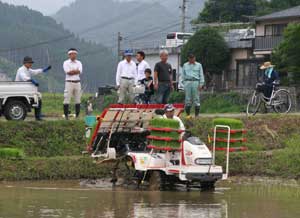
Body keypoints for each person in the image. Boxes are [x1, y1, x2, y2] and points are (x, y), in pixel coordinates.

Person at [15, 56, 51, 121]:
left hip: (24, 89)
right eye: (29, 63)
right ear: (25, 63)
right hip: (20, 89)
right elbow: (24, 77)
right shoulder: (21, 70)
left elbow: (35, 71)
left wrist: (44, 70)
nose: (31, 64)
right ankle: (38, 116)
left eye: (31, 63)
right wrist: (32, 81)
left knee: (38, 97)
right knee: (37, 97)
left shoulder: (28, 69)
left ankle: (38, 114)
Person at [182, 53, 205, 117]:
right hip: (187, 82)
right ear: (188, 58)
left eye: (193, 58)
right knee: (187, 99)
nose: (192, 60)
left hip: (195, 82)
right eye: (190, 58)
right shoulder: (185, 65)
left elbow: (201, 75)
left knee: (196, 99)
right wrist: (183, 84)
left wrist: (201, 84)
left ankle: (197, 115)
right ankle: (188, 115)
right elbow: (183, 75)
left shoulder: (199, 65)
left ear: (195, 58)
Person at [63, 48, 83, 120]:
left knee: (78, 99)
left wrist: (73, 71)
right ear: (69, 55)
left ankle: (77, 116)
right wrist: (76, 71)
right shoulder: (66, 63)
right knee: (67, 99)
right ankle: (66, 116)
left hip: (77, 82)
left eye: (75, 54)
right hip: (69, 82)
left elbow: (80, 71)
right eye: (72, 54)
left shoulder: (79, 62)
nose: (74, 55)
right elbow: (68, 72)